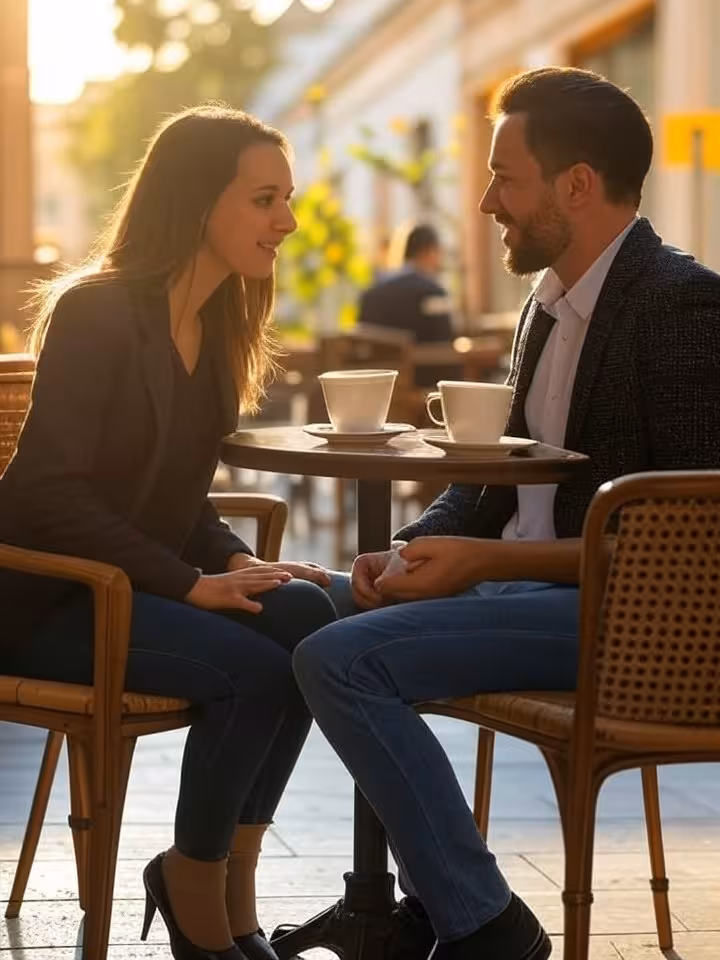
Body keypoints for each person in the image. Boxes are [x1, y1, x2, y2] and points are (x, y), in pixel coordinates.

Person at [294, 67, 720, 960]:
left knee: (341, 659)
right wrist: (405, 550)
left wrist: (487, 565)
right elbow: (493, 487)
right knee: (304, 608)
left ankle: (485, 924)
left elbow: (683, 542)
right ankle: (415, 902)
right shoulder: (547, 302)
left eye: (505, 178)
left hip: (627, 624)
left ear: (577, 183)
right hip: (521, 596)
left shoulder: (681, 303)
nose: (487, 202)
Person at [0, 105, 338, 960]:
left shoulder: (220, 325)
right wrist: (190, 584)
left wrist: (232, 559)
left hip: (134, 588)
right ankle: (195, 896)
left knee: (310, 623)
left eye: (286, 199)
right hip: (53, 602)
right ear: (198, 201)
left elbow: (177, 496)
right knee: (258, 672)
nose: (287, 222)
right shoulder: (97, 311)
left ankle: (228, 880)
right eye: (265, 199)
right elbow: (43, 491)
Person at [358, 223, 461, 386]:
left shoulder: (371, 294)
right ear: (430, 251)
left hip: (376, 384)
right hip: (420, 386)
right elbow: (444, 342)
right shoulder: (432, 292)